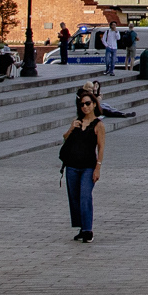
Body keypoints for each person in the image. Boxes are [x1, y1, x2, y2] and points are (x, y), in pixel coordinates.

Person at [60, 93, 105, 242]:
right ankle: (81, 227)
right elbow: (65, 138)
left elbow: (101, 147)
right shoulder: (77, 122)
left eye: (87, 103)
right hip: (72, 166)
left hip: (88, 167)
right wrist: (71, 128)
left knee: (85, 196)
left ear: (94, 104)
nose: (85, 107)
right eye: (82, 104)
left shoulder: (98, 124)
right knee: (75, 198)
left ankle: (88, 230)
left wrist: (98, 167)